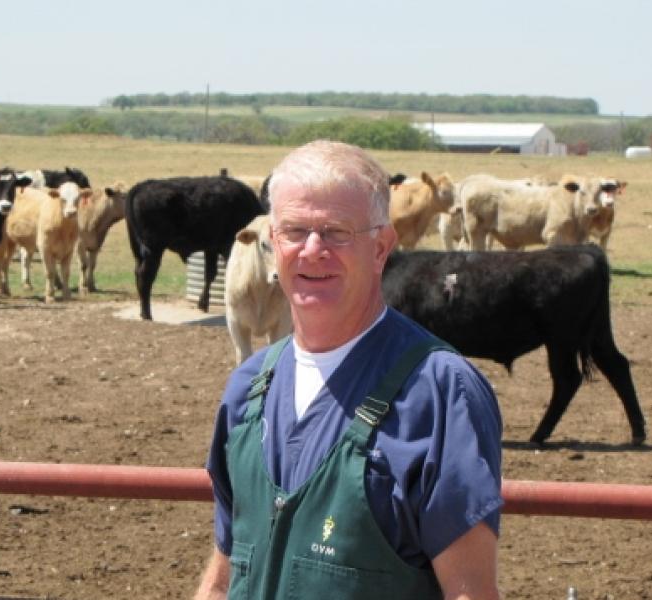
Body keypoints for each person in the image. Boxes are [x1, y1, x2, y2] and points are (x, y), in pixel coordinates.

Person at [194, 140, 503, 600]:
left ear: (381, 248)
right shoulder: (249, 387)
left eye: (336, 232)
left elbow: (470, 594)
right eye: (294, 231)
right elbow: (224, 576)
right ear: (272, 242)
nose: (312, 250)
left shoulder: (439, 392)